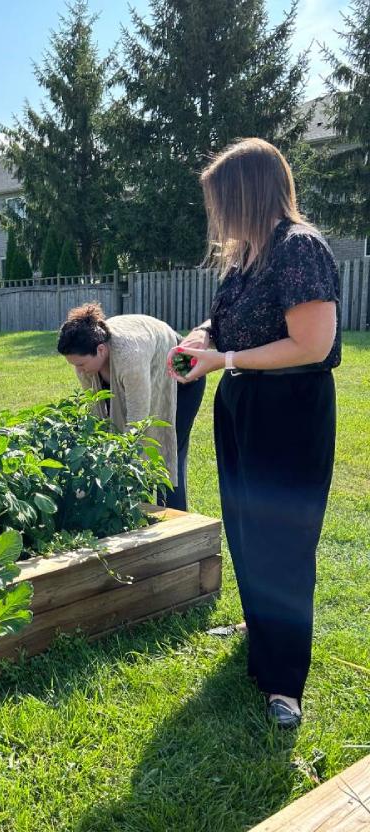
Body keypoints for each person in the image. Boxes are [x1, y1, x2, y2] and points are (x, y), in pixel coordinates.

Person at [170, 138, 340, 729]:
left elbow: (311, 345)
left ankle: (285, 683)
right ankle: (260, 632)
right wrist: (201, 341)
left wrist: (226, 360)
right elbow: (227, 327)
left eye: (221, 200)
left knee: (284, 545)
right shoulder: (248, 257)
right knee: (246, 531)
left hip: (289, 412)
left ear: (249, 192)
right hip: (243, 406)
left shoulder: (299, 248)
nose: (216, 215)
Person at [57, 303, 206, 511]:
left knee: (168, 454)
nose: (79, 370)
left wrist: (115, 462)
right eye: (74, 365)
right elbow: (96, 417)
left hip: (182, 375)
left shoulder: (129, 357)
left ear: (101, 350)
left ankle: (174, 524)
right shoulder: (86, 362)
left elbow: (138, 422)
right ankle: (134, 513)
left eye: (81, 364)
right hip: (146, 364)